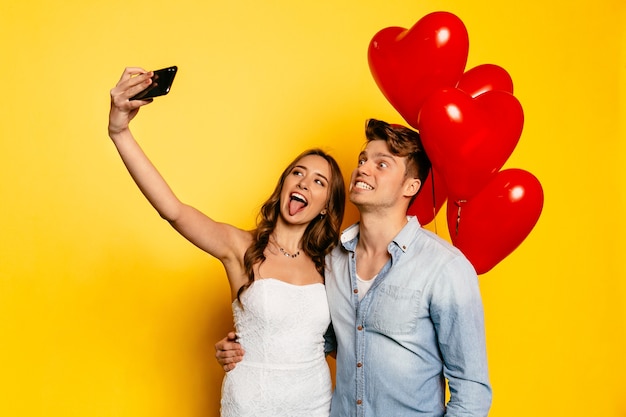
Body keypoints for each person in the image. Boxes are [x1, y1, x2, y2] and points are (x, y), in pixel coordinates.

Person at [108, 67, 346, 417]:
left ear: (326, 205)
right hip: (251, 403)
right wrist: (120, 132)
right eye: (297, 173)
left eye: (318, 181)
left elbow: (351, 337)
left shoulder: (333, 262)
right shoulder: (241, 247)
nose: (304, 183)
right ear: (283, 186)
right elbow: (172, 210)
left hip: (314, 405)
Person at [216, 119, 492, 416]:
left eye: (381, 164)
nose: (363, 168)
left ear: (411, 186)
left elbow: (472, 390)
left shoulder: (445, 268)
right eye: (363, 159)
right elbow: (314, 336)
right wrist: (246, 344)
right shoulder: (330, 259)